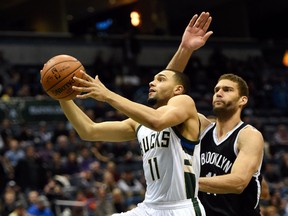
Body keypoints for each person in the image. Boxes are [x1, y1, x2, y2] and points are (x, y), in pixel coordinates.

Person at [56, 12, 213, 216]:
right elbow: (89, 131)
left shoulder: (184, 103)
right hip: (149, 208)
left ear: (178, 89)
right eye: (154, 79)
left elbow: (158, 121)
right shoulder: (138, 123)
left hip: (180, 208)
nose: (151, 82)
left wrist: (108, 95)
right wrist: (62, 96)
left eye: (160, 79)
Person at [168, 25, 265, 215]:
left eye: (227, 90)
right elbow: (166, 96)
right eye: (216, 90)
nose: (219, 93)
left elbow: (237, 182)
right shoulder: (203, 127)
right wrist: (185, 50)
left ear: (242, 100)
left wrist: (188, 182)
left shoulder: (249, 136)